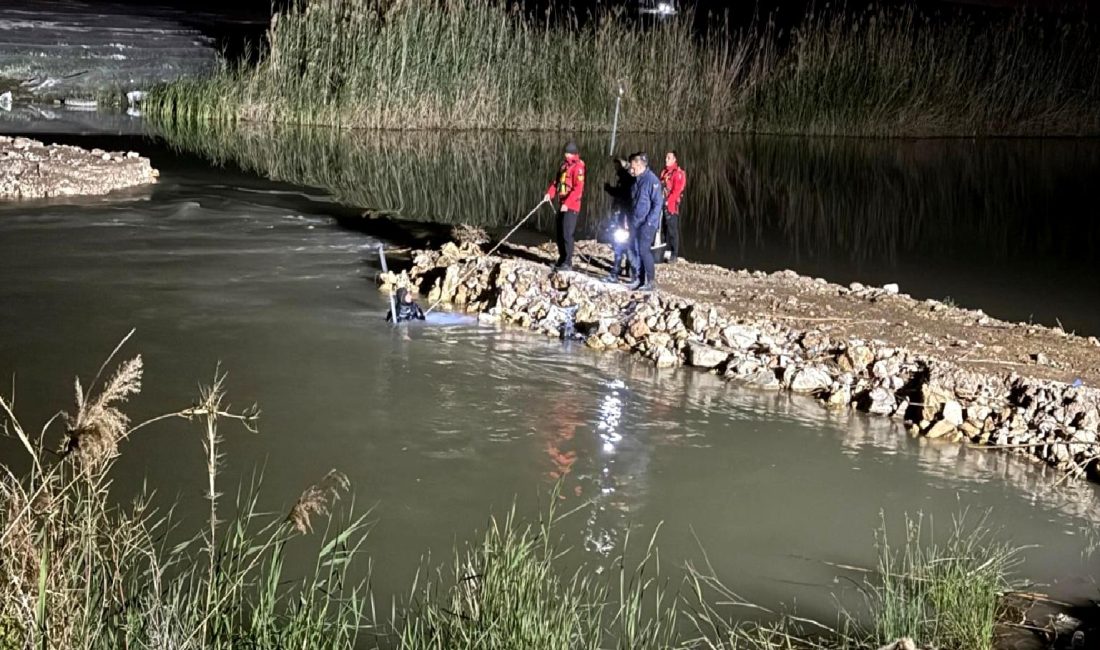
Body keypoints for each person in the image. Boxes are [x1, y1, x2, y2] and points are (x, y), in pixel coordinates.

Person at [543, 141, 586, 272]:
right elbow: (557, 182)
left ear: (574, 154)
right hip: (562, 203)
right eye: (565, 153)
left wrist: (567, 204)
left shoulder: (578, 168)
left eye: (568, 153)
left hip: (571, 206)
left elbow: (578, 189)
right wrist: (549, 194)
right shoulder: (564, 166)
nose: (566, 155)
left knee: (567, 234)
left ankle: (567, 262)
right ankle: (561, 259)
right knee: (560, 233)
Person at [627, 152, 664, 291]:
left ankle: (650, 282)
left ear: (638, 164)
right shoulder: (636, 180)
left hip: (647, 223)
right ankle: (639, 280)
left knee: (644, 250)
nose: (631, 168)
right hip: (635, 222)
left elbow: (657, 204)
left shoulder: (651, 180)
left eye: (632, 165)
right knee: (635, 250)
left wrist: (649, 222)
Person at [602, 156, 637, 284]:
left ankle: (629, 272)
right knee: (620, 243)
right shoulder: (623, 179)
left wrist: (610, 189)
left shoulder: (628, 179)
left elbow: (623, 195)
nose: (616, 168)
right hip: (621, 214)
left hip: (625, 216)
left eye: (617, 166)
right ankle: (620, 270)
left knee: (624, 244)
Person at [659, 150, 686, 263]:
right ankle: (662, 252)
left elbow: (676, 191)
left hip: (671, 206)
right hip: (661, 204)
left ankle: (674, 255)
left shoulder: (678, 173)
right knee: (662, 230)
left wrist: (667, 201)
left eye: (669, 158)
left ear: (674, 159)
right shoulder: (664, 172)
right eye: (666, 157)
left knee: (672, 231)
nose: (666, 159)